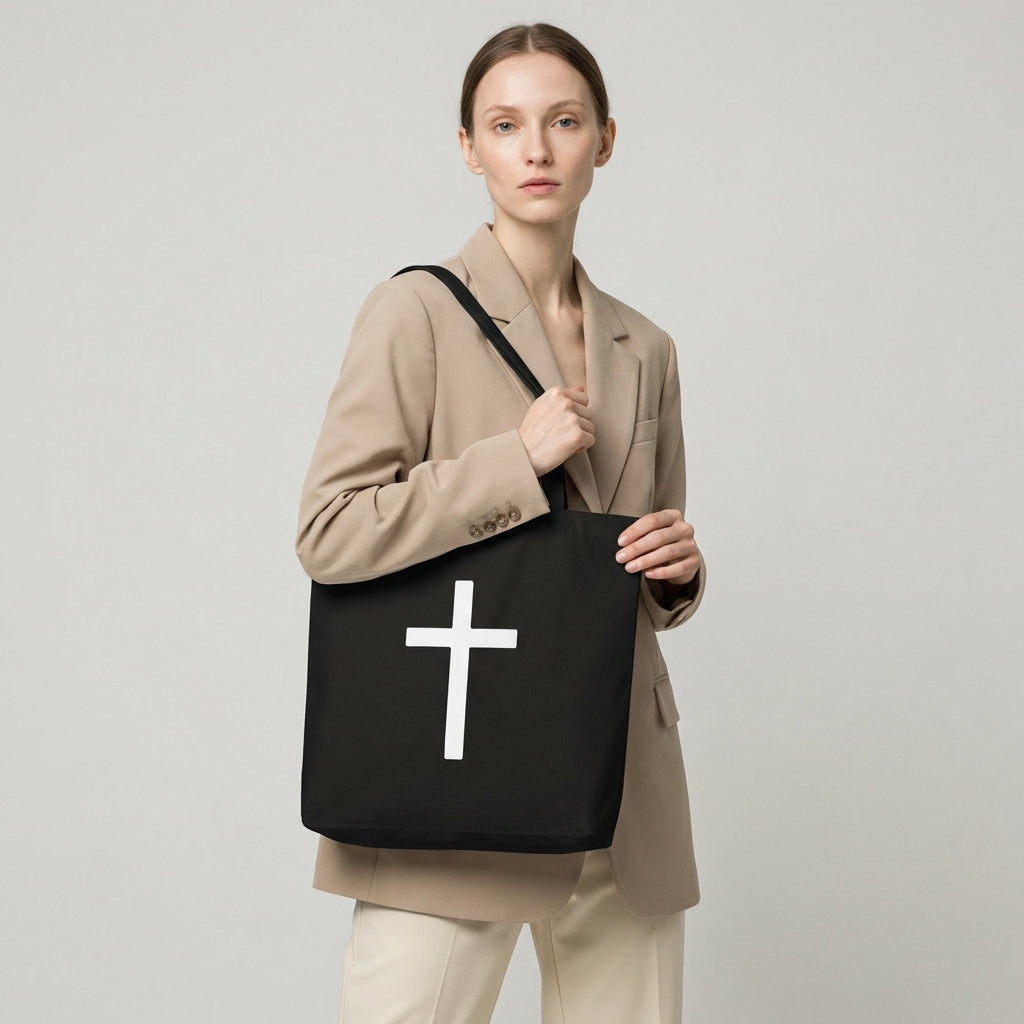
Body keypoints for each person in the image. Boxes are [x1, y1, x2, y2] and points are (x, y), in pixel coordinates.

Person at [297, 23, 706, 1024]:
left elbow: (630, 564)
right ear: (468, 148)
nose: (536, 150)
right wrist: (512, 461)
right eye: (505, 125)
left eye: (562, 121)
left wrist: (675, 573)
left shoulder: (645, 345)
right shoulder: (415, 312)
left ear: (604, 140)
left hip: (619, 787)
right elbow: (329, 530)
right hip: (463, 775)